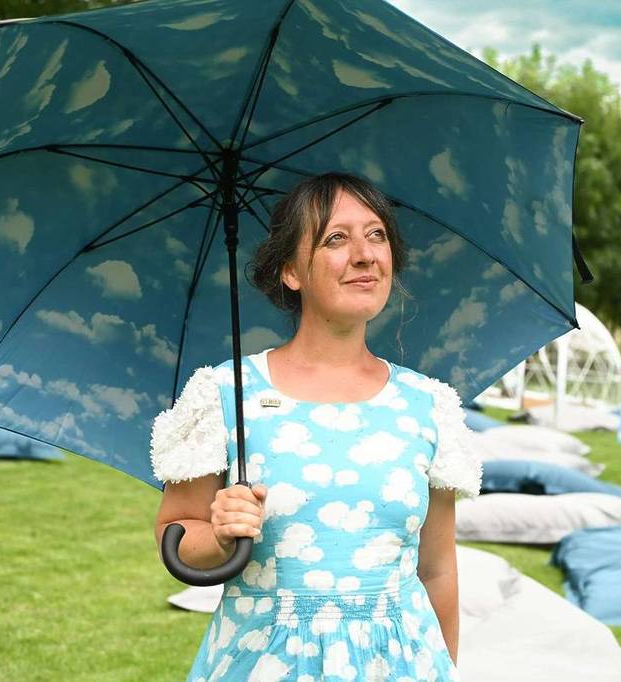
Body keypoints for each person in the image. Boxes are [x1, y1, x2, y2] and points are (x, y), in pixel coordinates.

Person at [151, 172, 482, 681]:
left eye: (377, 235)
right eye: (336, 238)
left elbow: (437, 569)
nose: (365, 255)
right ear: (290, 271)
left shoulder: (428, 405)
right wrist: (218, 534)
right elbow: (174, 535)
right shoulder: (226, 394)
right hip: (264, 662)